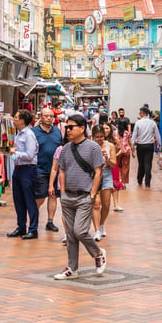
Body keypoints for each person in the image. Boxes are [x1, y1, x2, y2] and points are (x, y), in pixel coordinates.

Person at [53, 114, 107, 280]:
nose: (67, 130)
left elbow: (98, 172)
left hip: (85, 196)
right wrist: (62, 193)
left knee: (80, 231)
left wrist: (93, 193)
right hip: (68, 195)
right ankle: (72, 267)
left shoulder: (93, 148)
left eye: (71, 127)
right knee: (70, 234)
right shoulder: (66, 148)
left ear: (82, 128)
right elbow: (61, 169)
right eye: (66, 127)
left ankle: (98, 253)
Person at [7, 109, 40, 240]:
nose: (13, 119)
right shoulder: (19, 133)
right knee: (18, 199)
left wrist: (15, 153)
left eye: (15, 117)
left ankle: (33, 229)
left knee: (29, 200)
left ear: (22, 120)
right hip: (19, 168)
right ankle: (21, 227)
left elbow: (30, 155)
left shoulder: (29, 135)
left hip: (28, 169)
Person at [32, 107, 63, 233]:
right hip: (39, 168)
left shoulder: (57, 131)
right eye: (46, 116)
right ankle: (33, 221)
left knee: (53, 195)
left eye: (51, 116)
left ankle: (50, 221)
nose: (49, 118)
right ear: (41, 117)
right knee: (40, 197)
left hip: (55, 169)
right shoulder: (34, 132)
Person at [91, 125, 116, 241]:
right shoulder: (89, 146)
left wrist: (107, 159)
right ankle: (96, 230)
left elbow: (114, 164)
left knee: (106, 204)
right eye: (96, 137)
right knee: (96, 203)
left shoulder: (110, 146)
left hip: (106, 174)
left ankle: (101, 224)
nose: (99, 139)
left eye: (101, 137)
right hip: (93, 174)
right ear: (92, 136)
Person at [131, 106, 161, 188]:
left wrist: (132, 146)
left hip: (140, 146)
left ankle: (139, 179)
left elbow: (134, 136)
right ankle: (147, 182)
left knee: (141, 163)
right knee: (148, 164)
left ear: (142, 113)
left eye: (139, 113)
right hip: (149, 146)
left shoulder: (138, 123)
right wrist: (159, 144)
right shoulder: (152, 123)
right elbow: (157, 135)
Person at [104, 123, 125, 212]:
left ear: (110, 129)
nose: (105, 130)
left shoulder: (114, 139)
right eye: (104, 128)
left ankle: (116, 204)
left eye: (107, 128)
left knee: (115, 183)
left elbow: (121, 149)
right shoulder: (99, 139)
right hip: (103, 165)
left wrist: (114, 155)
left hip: (112, 163)